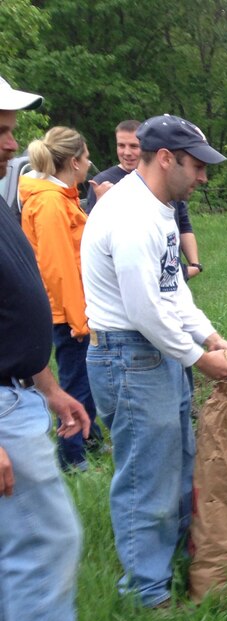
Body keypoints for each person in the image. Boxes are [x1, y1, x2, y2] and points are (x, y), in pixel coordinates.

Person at [81, 114, 227, 609]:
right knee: (146, 477)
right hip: (129, 357)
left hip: (156, 353)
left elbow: (173, 292)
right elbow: (143, 308)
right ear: (167, 159)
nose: (204, 177)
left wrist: (209, 336)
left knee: (177, 465)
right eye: (197, 166)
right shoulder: (130, 217)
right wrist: (198, 356)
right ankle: (145, 595)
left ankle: (164, 563)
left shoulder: (160, 207)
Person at [1, 74, 107, 621]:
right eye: (0, 130)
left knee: (17, 544)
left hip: (20, 390)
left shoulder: (2, 195)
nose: (11, 142)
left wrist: (48, 383)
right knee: (49, 538)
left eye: (9, 128)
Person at [18, 126, 104, 471]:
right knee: (76, 383)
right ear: (74, 161)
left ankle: (91, 440)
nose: (89, 163)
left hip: (70, 308)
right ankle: (71, 458)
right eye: (86, 157)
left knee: (82, 379)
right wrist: (78, 321)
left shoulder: (59, 197)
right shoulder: (52, 203)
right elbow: (58, 269)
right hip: (67, 314)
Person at [87, 120, 203, 280]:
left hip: (171, 273)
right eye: (121, 145)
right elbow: (92, 237)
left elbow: (183, 224)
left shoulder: (166, 180)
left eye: (134, 146)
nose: (127, 152)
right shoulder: (103, 182)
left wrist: (194, 265)